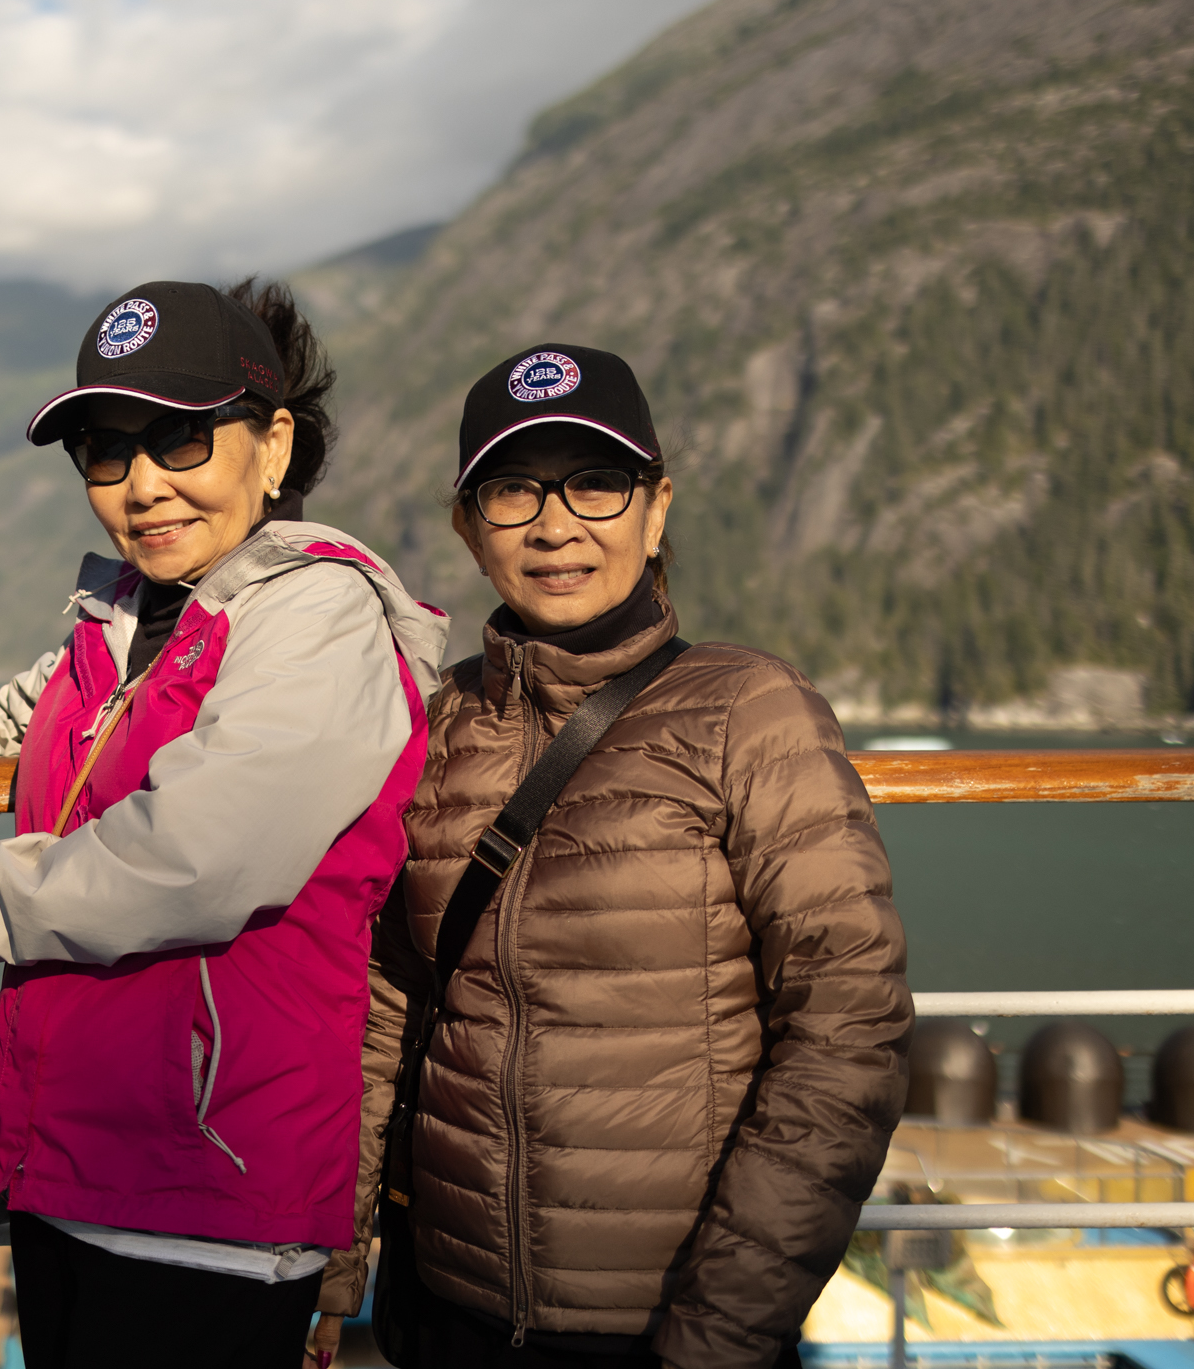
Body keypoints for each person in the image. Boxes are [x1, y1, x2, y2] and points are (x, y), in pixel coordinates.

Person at [320, 344, 912, 1369]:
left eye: (596, 482)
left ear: (657, 507)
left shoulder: (748, 710)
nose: (555, 525)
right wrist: (334, 1272)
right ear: (469, 527)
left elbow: (847, 1026)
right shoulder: (438, 722)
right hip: (448, 1308)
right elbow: (386, 1010)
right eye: (513, 490)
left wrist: (722, 1330)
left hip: (665, 1325)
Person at [0, 280, 447, 1369]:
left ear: (273, 445)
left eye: (181, 439)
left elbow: (200, 857)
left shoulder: (317, 613)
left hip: (211, 1187)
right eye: (107, 451)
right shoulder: (124, 622)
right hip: (73, 1167)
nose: (142, 484)